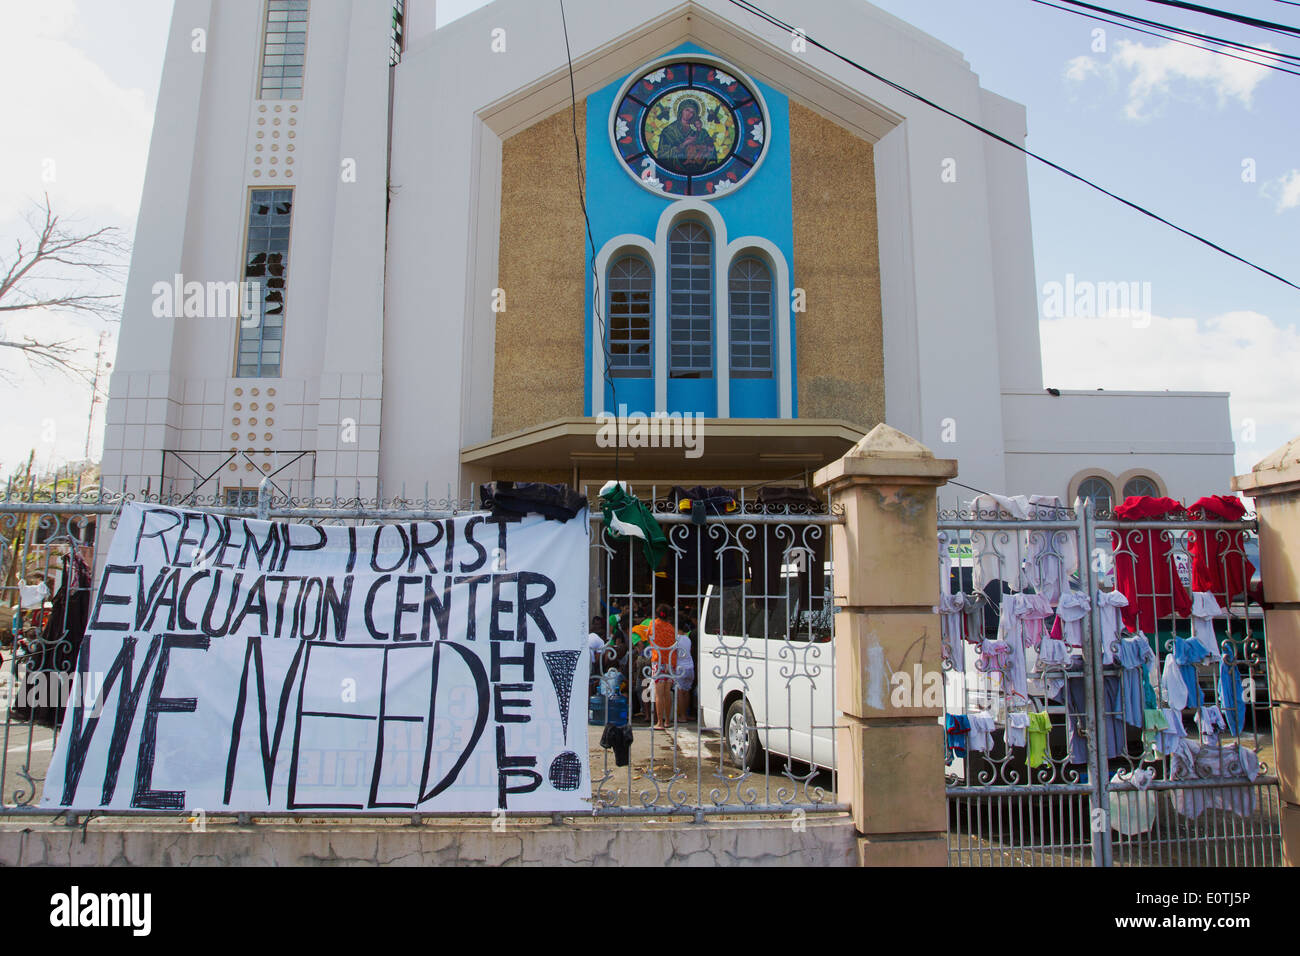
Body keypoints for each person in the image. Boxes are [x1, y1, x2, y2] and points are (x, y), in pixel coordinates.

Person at [648, 604, 677, 730]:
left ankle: (659, 722)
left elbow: (649, 638)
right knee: (667, 692)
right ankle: (667, 721)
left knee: (659, 693)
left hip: (658, 660)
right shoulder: (671, 628)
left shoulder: (653, 625)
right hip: (670, 661)